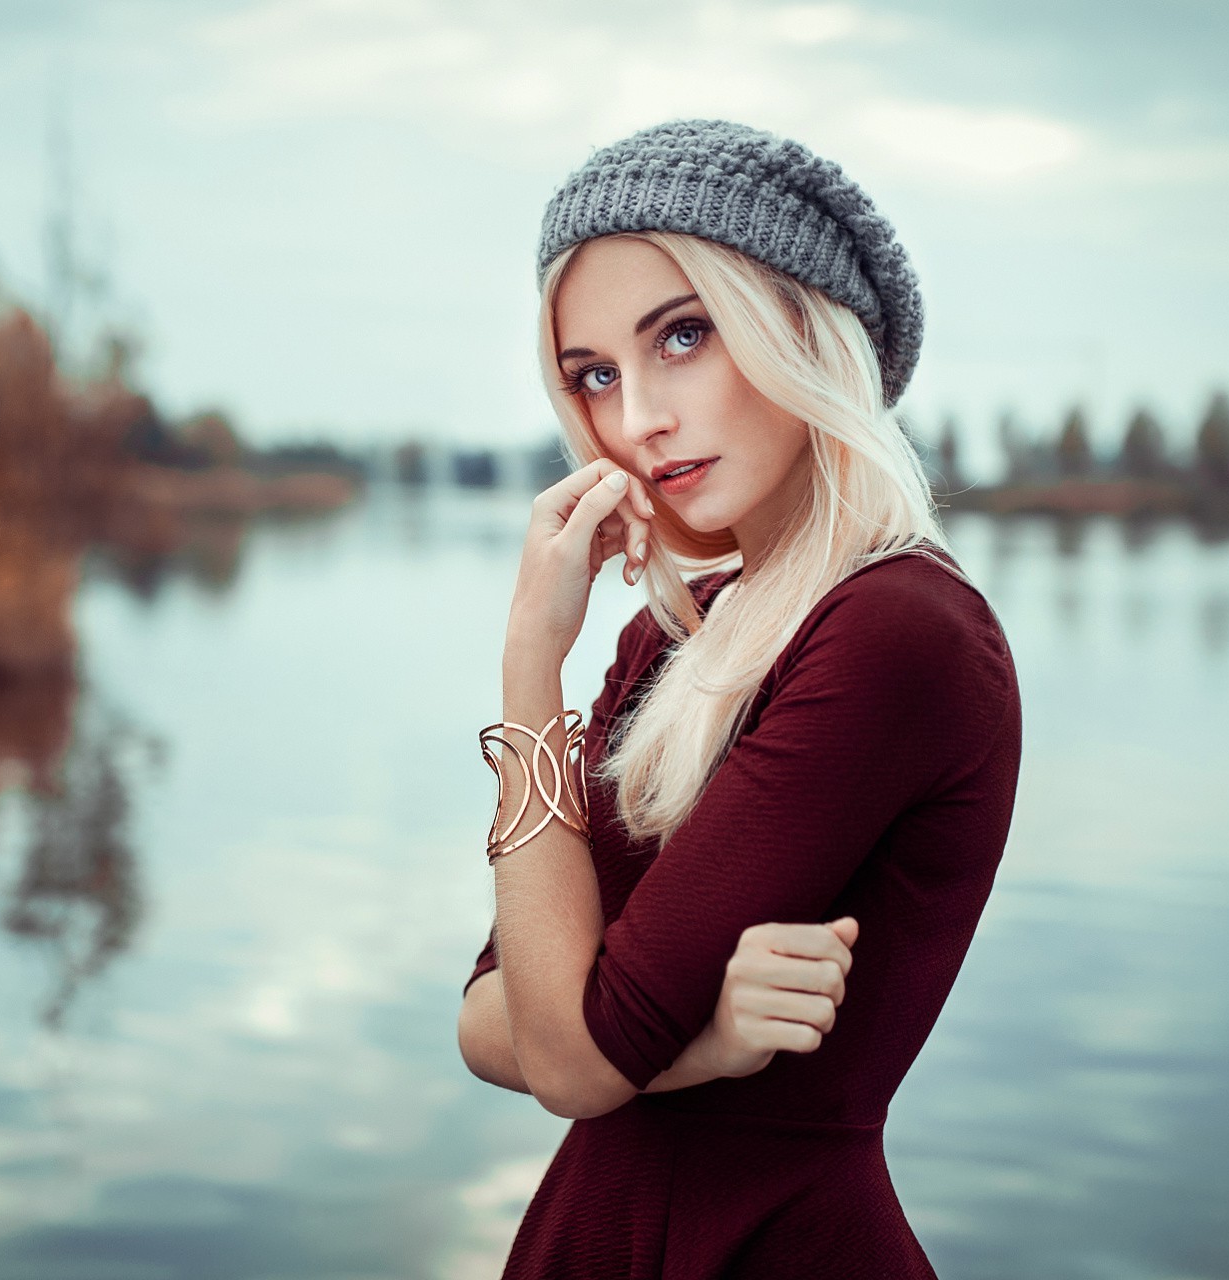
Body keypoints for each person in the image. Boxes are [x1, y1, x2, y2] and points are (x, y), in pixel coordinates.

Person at [455, 119, 1023, 1277]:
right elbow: (487, 1019)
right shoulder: (672, 635)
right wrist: (698, 1044)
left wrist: (528, 667)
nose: (635, 419)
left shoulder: (898, 634)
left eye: (681, 336)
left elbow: (567, 1063)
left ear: (802, 328)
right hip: (601, 1235)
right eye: (595, 376)